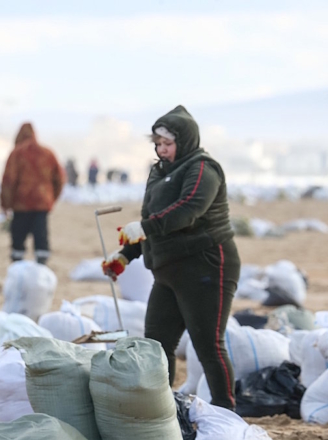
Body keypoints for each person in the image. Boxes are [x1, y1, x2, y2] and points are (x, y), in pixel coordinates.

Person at [101, 105, 239, 410]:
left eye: (168, 144)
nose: (162, 150)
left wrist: (145, 226)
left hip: (205, 266)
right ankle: (164, 411)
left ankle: (226, 413)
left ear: (185, 141)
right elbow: (150, 220)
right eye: (158, 144)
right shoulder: (159, 172)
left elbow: (190, 210)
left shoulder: (203, 169)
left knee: (207, 346)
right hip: (168, 270)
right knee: (157, 344)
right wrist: (125, 255)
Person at [0, 123, 65, 265]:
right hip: (42, 203)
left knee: (18, 240)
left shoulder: (16, 154)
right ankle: (41, 267)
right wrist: (51, 198)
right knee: (41, 238)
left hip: (20, 204)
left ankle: (17, 265)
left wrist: (6, 204)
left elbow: (8, 181)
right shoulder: (48, 153)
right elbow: (60, 178)